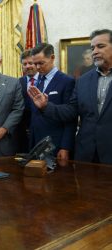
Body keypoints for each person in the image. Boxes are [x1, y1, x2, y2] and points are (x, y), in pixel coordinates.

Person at [28, 29, 112, 164]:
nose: (95, 51)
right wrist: (45, 106)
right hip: (87, 155)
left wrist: (65, 146)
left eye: (100, 46)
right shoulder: (83, 81)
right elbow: (71, 112)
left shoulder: (67, 81)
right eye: (92, 48)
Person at [29, 43, 76, 160]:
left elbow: (71, 117)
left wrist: (65, 147)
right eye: (35, 64)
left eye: (41, 63)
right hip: (36, 142)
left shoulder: (67, 81)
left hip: (56, 143)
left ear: (52, 58)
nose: (38, 67)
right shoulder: (37, 81)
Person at [17, 49, 39, 153]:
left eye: (30, 63)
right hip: (23, 133)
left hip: (40, 131)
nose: (27, 66)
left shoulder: (44, 80)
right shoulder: (18, 82)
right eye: (24, 64)